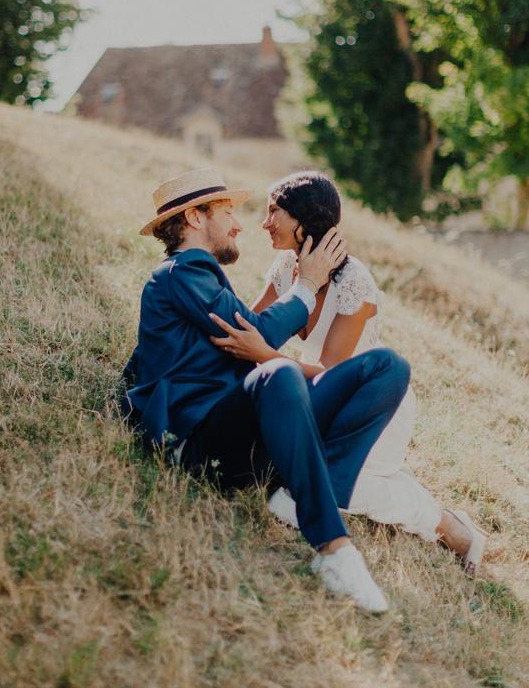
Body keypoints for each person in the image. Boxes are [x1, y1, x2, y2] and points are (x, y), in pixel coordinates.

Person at [124, 167, 411, 612]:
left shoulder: (199, 277)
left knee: (387, 366)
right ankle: (334, 549)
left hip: (249, 434)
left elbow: (249, 338)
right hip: (203, 444)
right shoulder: (182, 272)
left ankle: (307, 493)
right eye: (227, 213)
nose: (240, 225)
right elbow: (256, 332)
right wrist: (308, 284)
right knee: (279, 373)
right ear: (196, 218)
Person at [209, 171, 488, 577]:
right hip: (319, 397)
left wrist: (265, 356)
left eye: (274, 212)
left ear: (304, 217)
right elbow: (256, 325)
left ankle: (447, 524)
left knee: (335, 488)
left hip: (372, 405)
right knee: (293, 469)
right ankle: (403, 490)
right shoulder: (286, 265)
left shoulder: (354, 282)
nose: (265, 223)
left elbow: (331, 373)